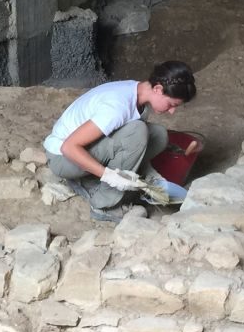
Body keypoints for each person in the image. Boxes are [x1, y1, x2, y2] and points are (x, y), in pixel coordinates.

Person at [43, 60, 197, 223]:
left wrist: (151, 175)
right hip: (63, 158)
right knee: (137, 132)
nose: (172, 111)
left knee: (159, 135)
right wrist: (109, 176)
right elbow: (69, 147)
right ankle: (103, 204)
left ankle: (92, 179)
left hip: (83, 150)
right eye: (172, 104)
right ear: (158, 89)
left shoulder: (138, 94)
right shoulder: (117, 106)